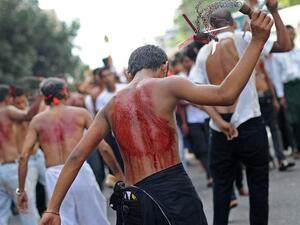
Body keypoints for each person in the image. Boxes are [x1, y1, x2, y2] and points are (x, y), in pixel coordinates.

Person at [39, 10, 273, 225]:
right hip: (172, 191)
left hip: (133, 201)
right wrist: (257, 41)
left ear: (129, 73)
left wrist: (52, 209)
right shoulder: (169, 84)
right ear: (165, 67)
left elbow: (77, 156)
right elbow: (225, 94)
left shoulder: (109, 106)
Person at [192, 1, 291, 225]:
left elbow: (197, 95)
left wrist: (219, 121)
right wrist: (274, 11)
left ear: (210, 27)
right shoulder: (245, 39)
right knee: (258, 188)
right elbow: (285, 45)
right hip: (249, 123)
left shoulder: (203, 53)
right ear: (231, 24)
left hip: (219, 130)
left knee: (222, 189)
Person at [17, 78, 124, 225]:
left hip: (54, 179)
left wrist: (21, 190)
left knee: (63, 220)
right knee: (95, 220)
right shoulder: (81, 114)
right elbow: (103, 147)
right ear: (66, 92)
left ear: (44, 97)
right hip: (80, 171)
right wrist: (117, 173)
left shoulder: (37, 121)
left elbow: (23, 157)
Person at [0, 84, 42, 225]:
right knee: (27, 210)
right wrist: (41, 97)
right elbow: (28, 115)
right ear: (7, 98)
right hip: (12, 168)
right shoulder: (7, 110)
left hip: (1, 170)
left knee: (1, 214)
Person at [255, 59, 295, 170]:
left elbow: (268, 79)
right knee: (260, 131)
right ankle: (268, 159)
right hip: (255, 100)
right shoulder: (238, 59)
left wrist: (274, 99)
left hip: (266, 96)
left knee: (275, 128)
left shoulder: (258, 61)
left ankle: (281, 159)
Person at [267, 25, 300, 159]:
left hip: (299, 83)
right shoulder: (277, 55)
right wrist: (280, 95)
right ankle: (296, 147)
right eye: (287, 34)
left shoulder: (298, 51)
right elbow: (275, 75)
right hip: (288, 87)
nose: (290, 36)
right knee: (293, 119)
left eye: (292, 33)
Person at [181, 44, 212, 186]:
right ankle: (210, 175)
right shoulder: (180, 78)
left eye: (187, 61)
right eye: (183, 62)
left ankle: (213, 174)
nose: (185, 64)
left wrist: (187, 98)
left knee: (210, 147)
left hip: (205, 115)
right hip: (192, 119)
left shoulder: (198, 71)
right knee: (201, 149)